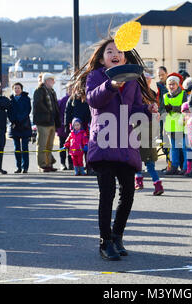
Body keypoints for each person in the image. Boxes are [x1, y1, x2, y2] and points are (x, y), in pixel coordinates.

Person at [71, 37, 157, 260]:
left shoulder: (131, 80)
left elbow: (136, 110)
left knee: (128, 193)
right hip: (103, 140)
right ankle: (105, 241)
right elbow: (92, 100)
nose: (115, 54)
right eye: (110, 51)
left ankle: (117, 236)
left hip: (126, 143)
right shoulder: (96, 76)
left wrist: (149, 109)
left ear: (125, 58)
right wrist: (110, 85)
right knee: (106, 193)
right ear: (102, 58)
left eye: (119, 51)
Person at [134, 72, 164, 195]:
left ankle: (154, 183)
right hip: (138, 126)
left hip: (147, 126)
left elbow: (156, 108)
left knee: (147, 159)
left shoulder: (151, 93)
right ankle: (142, 180)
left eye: (148, 79)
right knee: (137, 158)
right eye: (145, 79)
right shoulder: (136, 92)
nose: (147, 81)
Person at [33, 73, 61, 172]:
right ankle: (42, 164)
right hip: (43, 122)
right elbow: (38, 104)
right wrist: (48, 112)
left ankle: (48, 163)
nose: (53, 82)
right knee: (42, 144)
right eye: (51, 80)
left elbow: (55, 106)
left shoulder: (52, 91)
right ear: (46, 81)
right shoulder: (39, 90)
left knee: (49, 145)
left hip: (51, 121)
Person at [64, 82, 92, 172]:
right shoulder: (71, 99)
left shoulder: (87, 98)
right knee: (75, 146)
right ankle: (75, 165)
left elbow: (91, 112)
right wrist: (66, 125)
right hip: (75, 127)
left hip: (86, 126)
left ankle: (89, 167)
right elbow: (67, 113)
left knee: (87, 146)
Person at [164, 75, 188, 175]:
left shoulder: (183, 94)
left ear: (178, 85)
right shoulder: (165, 96)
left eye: (173, 84)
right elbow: (163, 110)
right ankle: (174, 167)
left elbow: (184, 108)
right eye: (169, 84)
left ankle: (186, 167)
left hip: (181, 124)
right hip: (170, 126)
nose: (171, 86)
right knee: (173, 148)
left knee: (184, 148)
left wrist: (173, 108)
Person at [7, 82, 32, 174]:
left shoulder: (26, 99)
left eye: (18, 88)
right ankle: (18, 167)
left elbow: (28, 110)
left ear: (21, 89)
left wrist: (20, 119)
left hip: (24, 125)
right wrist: (14, 121)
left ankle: (25, 167)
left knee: (25, 147)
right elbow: (9, 113)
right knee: (16, 148)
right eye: (15, 88)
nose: (17, 90)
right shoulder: (10, 100)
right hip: (14, 126)